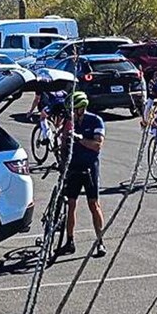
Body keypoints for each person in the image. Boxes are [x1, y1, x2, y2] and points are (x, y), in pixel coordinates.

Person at [61, 92, 106, 257]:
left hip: (89, 168)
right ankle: (69, 241)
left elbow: (97, 145)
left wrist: (79, 138)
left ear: (82, 108)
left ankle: (100, 242)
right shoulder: (70, 122)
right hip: (73, 167)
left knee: (93, 205)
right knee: (71, 204)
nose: (72, 113)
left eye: (74, 109)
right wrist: (62, 160)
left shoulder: (95, 120)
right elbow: (64, 144)